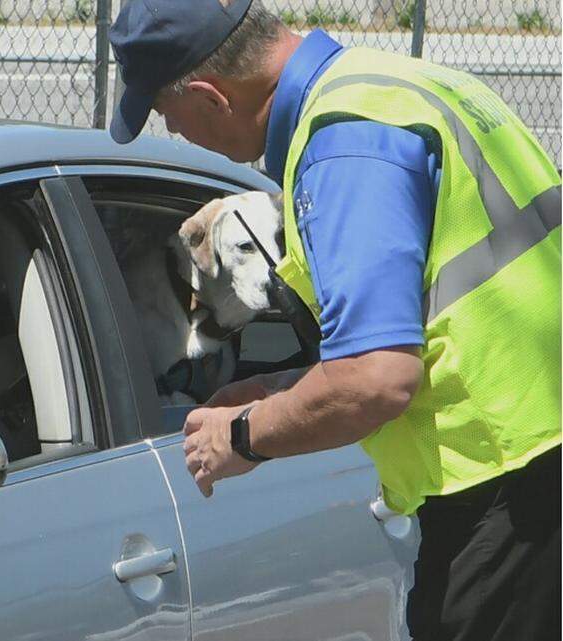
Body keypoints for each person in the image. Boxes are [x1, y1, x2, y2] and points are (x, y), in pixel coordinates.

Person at [108, 1, 560, 640]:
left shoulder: (344, 147)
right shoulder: (405, 84)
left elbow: (376, 379)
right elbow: (430, 322)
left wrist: (242, 436)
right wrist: (277, 390)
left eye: (165, 113)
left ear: (212, 97)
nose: (174, 132)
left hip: (502, 490)